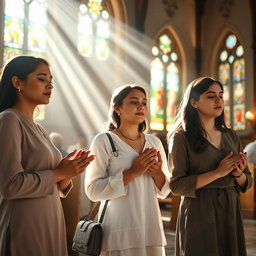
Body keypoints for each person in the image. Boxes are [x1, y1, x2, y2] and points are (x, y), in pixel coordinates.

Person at [0, 55, 95, 256]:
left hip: (49, 216)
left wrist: (68, 173)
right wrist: (59, 173)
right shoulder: (9, 120)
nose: (50, 86)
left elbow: (54, 180)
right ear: (18, 83)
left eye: (51, 80)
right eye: (42, 79)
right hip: (24, 223)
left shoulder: (38, 128)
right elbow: (10, 186)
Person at [168, 77, 253, 256]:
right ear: (194, 102)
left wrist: (238, 174)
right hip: (199, 211)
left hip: (230, 208)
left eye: (221, 96)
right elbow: (177, 186)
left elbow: (247, 181)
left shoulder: (231, 135)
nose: (218, 100)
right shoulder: (181, 139)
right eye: (210, 96)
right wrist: (217, 173)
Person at [85, 84, 171, 256]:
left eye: (144, 102)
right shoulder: (104, 141)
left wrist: (157, 174)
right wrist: (132, 173)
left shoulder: (154, 143)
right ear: (117, 109)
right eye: (134, 102)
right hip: (118, 228)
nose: (141, 106)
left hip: (150, 226)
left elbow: (165, 190)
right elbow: (93, 191)